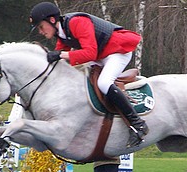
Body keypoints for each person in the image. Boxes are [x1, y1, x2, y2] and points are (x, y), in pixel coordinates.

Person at [29, 2, 148, 148]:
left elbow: (89, 53)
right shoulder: (62, 34)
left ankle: (138, 123)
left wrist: (61, 55)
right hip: (100, 56)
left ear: (52, 20)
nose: (40, 31)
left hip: (117, 51)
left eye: (41, 26)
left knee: (104, 83)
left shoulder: (77, 22)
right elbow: (61, 62)